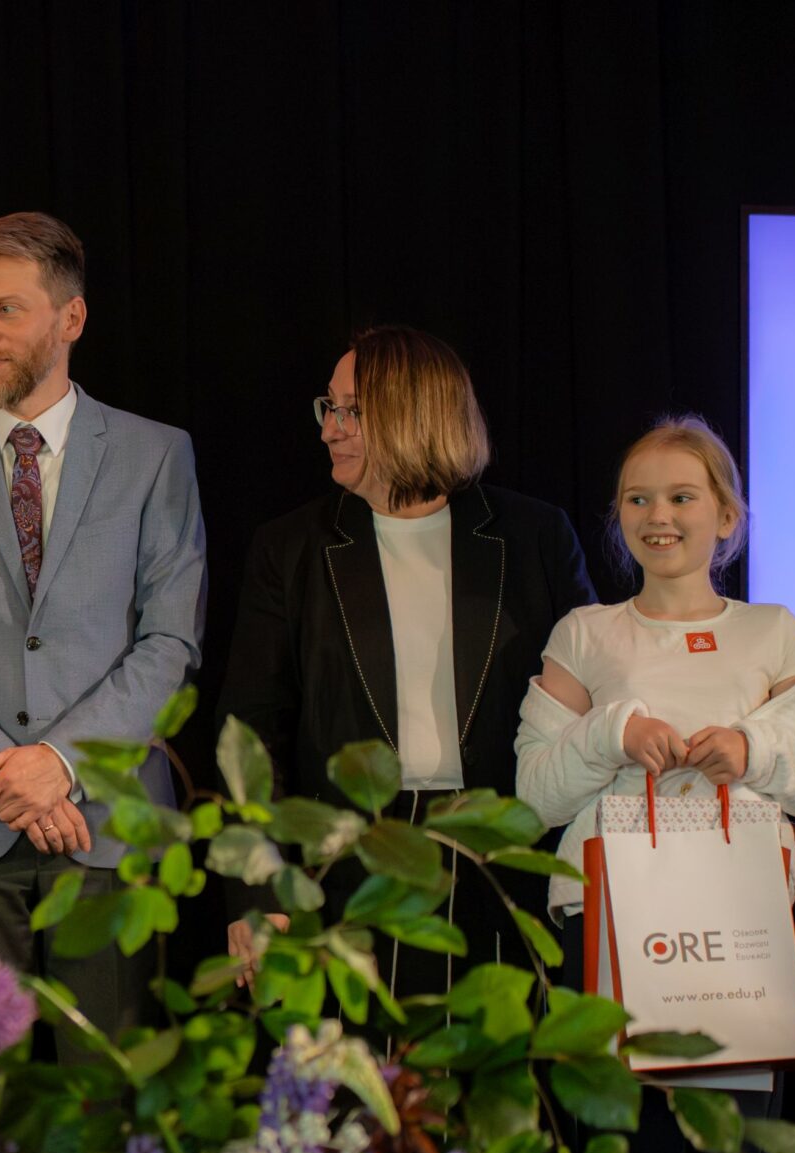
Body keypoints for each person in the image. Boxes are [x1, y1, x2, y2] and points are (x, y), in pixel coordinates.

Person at [514, 415, 795, 1153]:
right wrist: (613, 734)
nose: (657, 516)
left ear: (726, 515)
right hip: (609, 945)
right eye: (638, 498)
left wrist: (754, 749)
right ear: (617, 514)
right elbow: (532, 793)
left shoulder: (771, 632)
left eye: (681, 496)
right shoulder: (586, 633)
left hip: (737, 948)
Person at [0, 211, 207, 1115]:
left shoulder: (156, 454)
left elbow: (170, 641)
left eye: (4, 309)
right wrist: (3, 776)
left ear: (71, 317)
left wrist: (59, 763)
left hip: (111, 828)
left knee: (111, 1103)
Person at [219, 325, 595, 995]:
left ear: (417, 415)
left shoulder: (534, 537)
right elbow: (252, 734)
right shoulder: (291, 547)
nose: (329, 429)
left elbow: (595, 706)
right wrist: (258, 889)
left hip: (502, 865)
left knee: (496, 1056)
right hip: (346, 872)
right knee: (357, 1064)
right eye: (328, 407)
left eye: (351, 411)